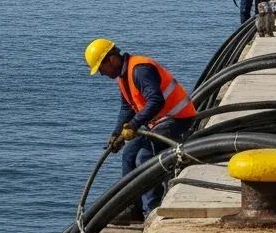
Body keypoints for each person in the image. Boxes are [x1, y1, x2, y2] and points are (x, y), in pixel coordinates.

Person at [84, 39, 197, 222]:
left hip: (177, 119)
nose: (102, 74)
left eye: (101, 69)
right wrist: (117, 133)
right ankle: (133, 209)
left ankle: (151, 210)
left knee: (145, 158)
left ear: (112, 59)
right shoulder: (124, 76)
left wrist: (134, 125)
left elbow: (156, 101)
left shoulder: (140, 70)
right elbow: (127, 108)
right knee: (128, 154)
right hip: (158, 121)